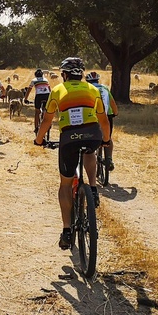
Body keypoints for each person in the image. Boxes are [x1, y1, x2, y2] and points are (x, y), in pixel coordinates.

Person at [34, 57, 110, 250]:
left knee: (65, 184)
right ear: (81, 74)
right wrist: (107, 139)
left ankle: (67, 230)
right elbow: (104, 120)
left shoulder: (58, 90)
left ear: (65, 75)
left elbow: (46, 121)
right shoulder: (93, 90)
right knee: (90, 151)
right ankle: (92, 187)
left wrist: (39, 140)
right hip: (92, 134)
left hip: (69, 138)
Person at [86, 71, 118, 170]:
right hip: (106, 116)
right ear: (97, 80)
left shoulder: (87, 89)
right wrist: (115, 113)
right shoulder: (105, 88)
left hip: (92, 117)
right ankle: (109, 159)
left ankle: (91, 154)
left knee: (91, 137)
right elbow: (112, 103)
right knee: (108, 137)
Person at [26, 69, 53, 135]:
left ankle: (36, 128)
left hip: (39, 96)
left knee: (37, 112)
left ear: (35, 75)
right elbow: (49, 89)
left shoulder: (34, 80)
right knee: (46, 111)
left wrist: (25, 98)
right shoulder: (46, 80)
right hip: (47, 95)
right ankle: (48, 123)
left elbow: (29, 90)